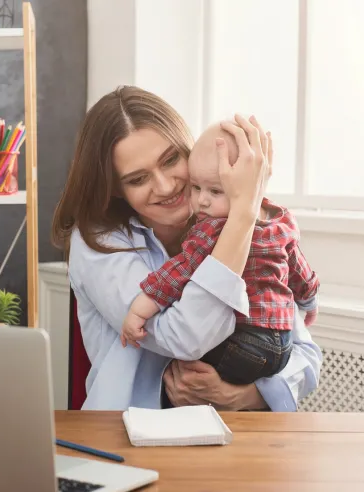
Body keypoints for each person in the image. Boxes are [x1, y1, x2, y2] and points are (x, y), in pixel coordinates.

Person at [51, 85, 322, 411]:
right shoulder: (98, 242)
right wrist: (242, 216)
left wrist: (240, 397)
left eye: (170, 160)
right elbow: (184, 338)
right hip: (131, 431)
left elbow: (303, 353)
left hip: (230, 430)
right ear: (116, 190)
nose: (165, 186)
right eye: (138, 179)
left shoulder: (221, 213)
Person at [120, 122, 320, 386]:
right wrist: (309, 303)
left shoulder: (212, 229)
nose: (202, 200)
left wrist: (140, 309)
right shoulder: (281, 222)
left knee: (173, 370)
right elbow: (299, 272)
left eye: (215, 191)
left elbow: (178, 271)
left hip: (244, 344)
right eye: (196, 187)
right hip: (281, 345)